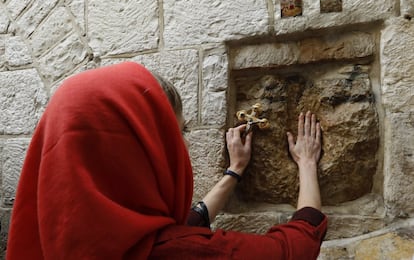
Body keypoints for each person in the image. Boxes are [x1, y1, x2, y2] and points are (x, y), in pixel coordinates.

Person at [6, 62, 327, 259]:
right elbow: (297, 245)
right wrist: (308, 163)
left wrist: (234, 171)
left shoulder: (59, 243)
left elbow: (190, 222)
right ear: (140, 156)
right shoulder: (180, 253)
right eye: (176, 136)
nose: (182, 149)